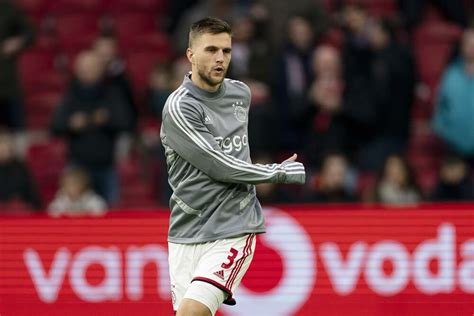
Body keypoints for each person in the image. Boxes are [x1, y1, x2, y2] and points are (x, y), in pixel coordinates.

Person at [160, 17, 305, 316]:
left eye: (226, 51)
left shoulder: (240, 94)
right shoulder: (180, 107)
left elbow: (234, 158)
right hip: (187, 232)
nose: (220, 58)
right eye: (211, 49)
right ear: (190, 55)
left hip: (233, 227)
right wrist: (276, 172)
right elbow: (219, 165)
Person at [50, 50, 133, 205]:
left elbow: (127, 121)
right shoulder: (70, 94)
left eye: (91, 68)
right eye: (83, 68)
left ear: (100, 69)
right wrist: (71, 124)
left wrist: (106, 119)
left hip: (106, 164)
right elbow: (55, 126)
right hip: (77, 166)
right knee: (75, 215)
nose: (87, 72)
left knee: (110, 214)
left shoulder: (112, 93)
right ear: (76, 70)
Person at [432, 27, 474, 165]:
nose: (471, 48)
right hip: (454, 146)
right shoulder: (450, 73)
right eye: (467, 44)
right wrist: (442, 129)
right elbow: (440, 105)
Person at [0, 0, 35, 131]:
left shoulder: (8, 8)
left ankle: (20, 152)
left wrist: (18, 42)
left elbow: (31, 33)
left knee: (18, 132)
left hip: (8, 85)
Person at [0, 129, 41, 210]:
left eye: (8, 143)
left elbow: (32, 195)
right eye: (2, 144)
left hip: (17, 212)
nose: (6, 147)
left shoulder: (21, 168)